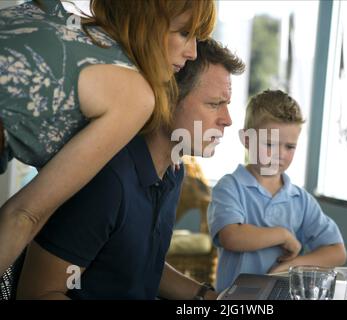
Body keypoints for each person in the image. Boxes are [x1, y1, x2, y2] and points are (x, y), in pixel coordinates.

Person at [16, 39, 245, 300]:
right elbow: (38, 293)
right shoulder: (107, 180)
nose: (227, 120)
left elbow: (140, 267)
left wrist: (211, 299)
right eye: (214, 104)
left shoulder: (172, 171)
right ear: (167, 100)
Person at [0, 0, 216, 275]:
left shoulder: (51, 12)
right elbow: (24, 214)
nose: (193, 52)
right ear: (146, 22)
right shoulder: (135, 95)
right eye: (184, 33)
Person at [207, 90, 347, 292]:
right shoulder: (230, 187)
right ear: (246, 140)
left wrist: (289, 267)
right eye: (269, 143)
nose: (280, 154)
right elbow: (232, 236)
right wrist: (283, 235)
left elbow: (337, 252)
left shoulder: (300, 199)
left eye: (290, 146)